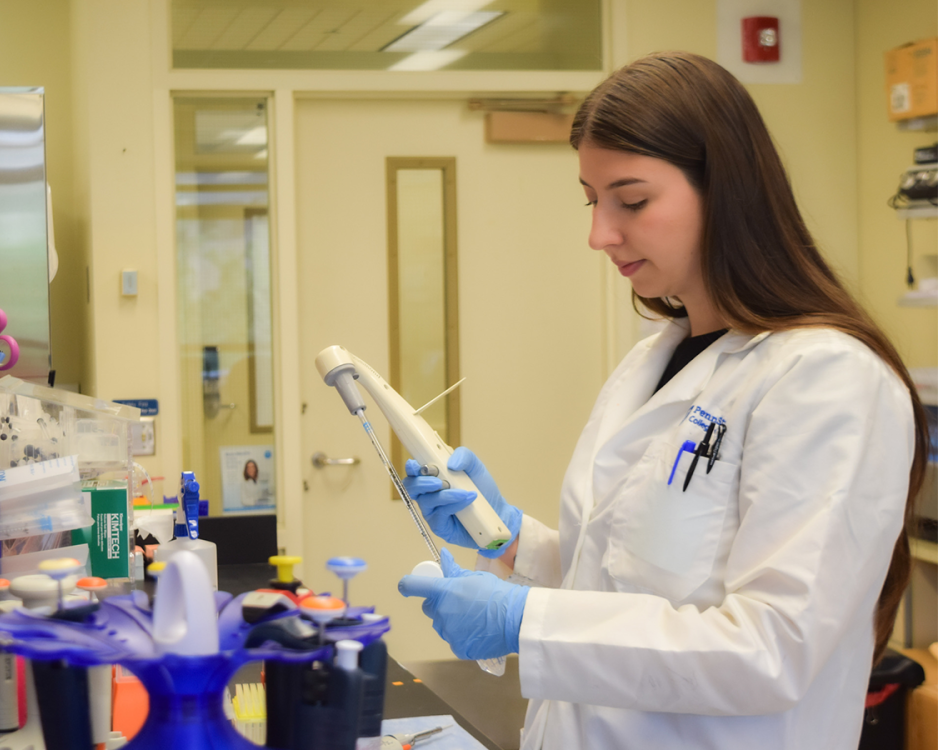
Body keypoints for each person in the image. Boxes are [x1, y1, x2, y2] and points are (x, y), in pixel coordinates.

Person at [398, 51, 930, 750]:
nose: (600, 234)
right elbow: (632, 576)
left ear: (727, 189)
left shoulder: (827, 379)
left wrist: (523, 621)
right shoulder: (656, 359)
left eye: (633, 200)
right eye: (593, 200)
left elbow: (771, 650)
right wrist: (512, 544)